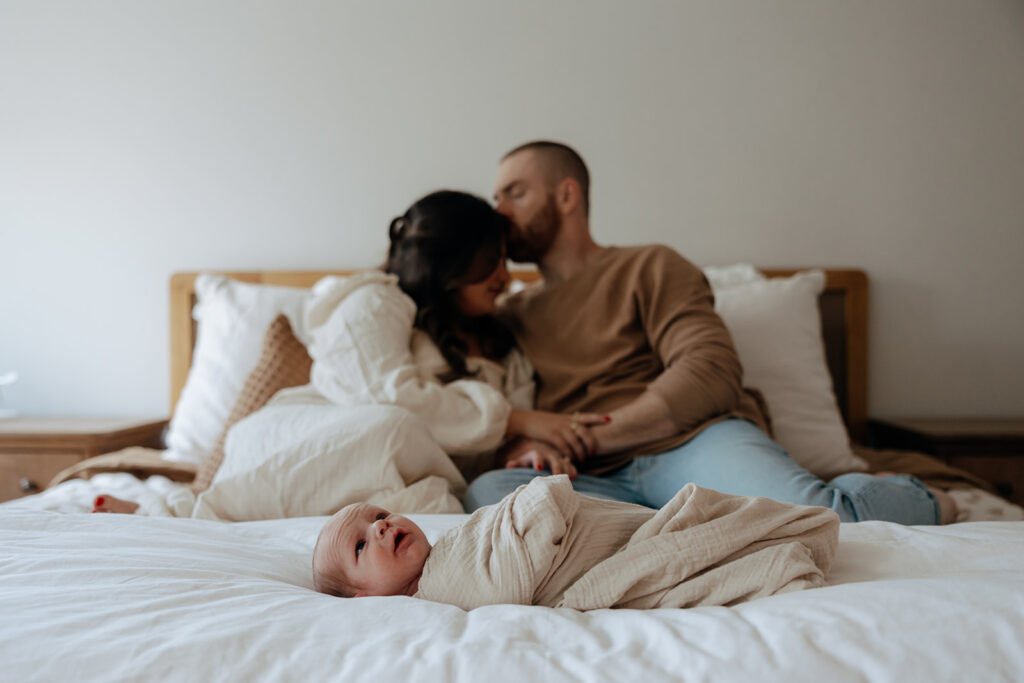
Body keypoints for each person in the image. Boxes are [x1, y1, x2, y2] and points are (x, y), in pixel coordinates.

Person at [463, 141, 956, 525]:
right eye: (497, 196)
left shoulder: (648, 265)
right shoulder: (510, 313)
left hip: (689, 443)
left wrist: (590, 437)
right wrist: (527, 448)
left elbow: (711, 369)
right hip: (590, 478)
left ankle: (920, 499)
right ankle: (680, 531)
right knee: (486, 496)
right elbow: (500, 408)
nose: (500, 210)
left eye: (516, 192)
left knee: (827, 519)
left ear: (566, 194)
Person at [93, 190, 604, 515]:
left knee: (437, 503)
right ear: (454, 262)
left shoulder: (506, 343)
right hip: (309, 445)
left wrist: (521, 450)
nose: (506, 275)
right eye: (493, 259)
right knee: (393, 428)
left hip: (405, 480)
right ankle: (179, 516)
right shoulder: (373, 301)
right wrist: (519, 421)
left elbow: (497, 448)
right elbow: (388, 396)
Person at [311, 474, 840, 609]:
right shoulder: (443, 585)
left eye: (378, 515)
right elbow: (506, 577)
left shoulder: (453, 548)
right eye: (361, 546)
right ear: (363, 599)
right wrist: (535, 505)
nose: (380, 527)